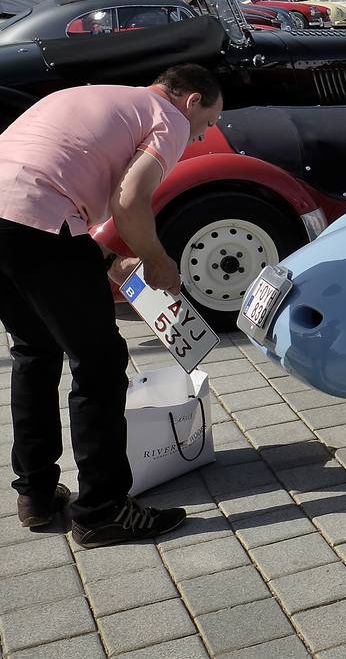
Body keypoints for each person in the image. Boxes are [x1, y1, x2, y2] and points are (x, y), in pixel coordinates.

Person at [0, 65, 222, 547]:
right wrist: (156, 260)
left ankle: (35, 493)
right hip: (39, 219)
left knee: (35, 350)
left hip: (10, 211)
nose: (201, 133)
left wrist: (108, 263)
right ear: (191, 101)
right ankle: (103, 510)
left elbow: (56, 180)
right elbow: (129, 200)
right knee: (100, 364)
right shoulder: (169, 118)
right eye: (207, 121)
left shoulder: (97, 95)